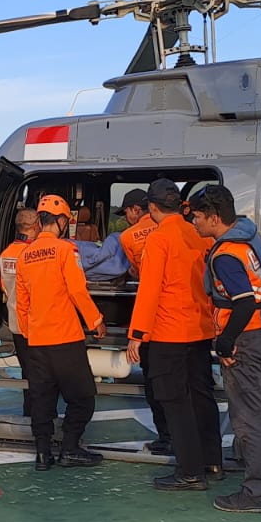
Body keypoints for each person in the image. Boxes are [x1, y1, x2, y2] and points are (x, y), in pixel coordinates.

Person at [189, 185, 261, 513]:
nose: (194, 223)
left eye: (197, 217)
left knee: (249, 419)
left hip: (246, 338)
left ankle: (256, 493)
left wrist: (225, 341)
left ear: (213, 218)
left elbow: (243, 303)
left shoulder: (224, 255)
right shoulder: (249, 236)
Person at [126, 179, 219, 491]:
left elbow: (149, 289)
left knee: (174, 402)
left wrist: (137, 334)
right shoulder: (199, 233)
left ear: (152, 208)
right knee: (202, 396)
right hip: (200, 328)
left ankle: (190, 471)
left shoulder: (158, 239)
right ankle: (212, 461)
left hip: (169, 333)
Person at [14, 194, 107, 471]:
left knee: (41, 400)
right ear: (62, 221)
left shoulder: (24, 256)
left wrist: (31, 333)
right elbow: (77, 290)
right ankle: (70, 448)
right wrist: (95, 320)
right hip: (66, 339)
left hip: (37, 342)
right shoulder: (66, 250)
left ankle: (42, 454)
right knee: (83, 398)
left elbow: (22, 303)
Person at [115, 187, 173, 456]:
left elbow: (141, 278)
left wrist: (136, 335)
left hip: (154, 322)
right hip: (185, 321)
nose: (126, 217)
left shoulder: (128, 238)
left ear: (139, 210)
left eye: (126, 211)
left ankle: (166, 437)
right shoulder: (183, 230)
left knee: (155, 385)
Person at [0, 207, 40, 417]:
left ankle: (29, 414)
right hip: (35, 322)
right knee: (41, 374)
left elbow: (4, 287)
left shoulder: (6, 255)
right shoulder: (33, 254)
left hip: (15, 322)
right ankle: (40, 418)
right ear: (35, 226)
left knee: (27, 372)